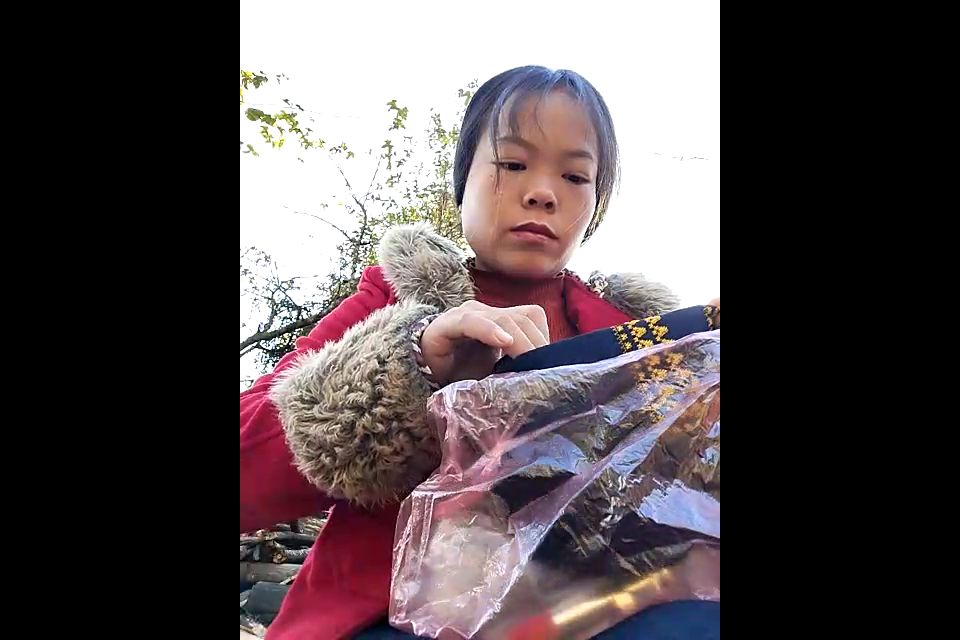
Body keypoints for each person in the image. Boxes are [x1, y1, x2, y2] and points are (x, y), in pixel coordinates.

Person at [240, 65, 719, 639]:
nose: (542, 192)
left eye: (575, 176)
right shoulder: (394, 302)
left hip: (590, 620)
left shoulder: (642, 344)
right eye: (512, 164)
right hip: (387, 621)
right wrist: (413, 367)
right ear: (462, 178)